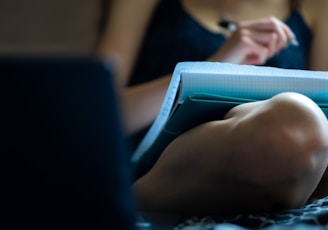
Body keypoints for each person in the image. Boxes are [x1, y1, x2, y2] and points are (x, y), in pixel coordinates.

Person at [98, 0, 328, 217]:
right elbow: (94, 114)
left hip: (288, 157)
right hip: (154, 165)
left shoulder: (317, 7)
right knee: (293, 125)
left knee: (297, 127)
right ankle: (129, 202)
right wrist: (218, 62)